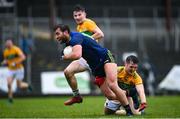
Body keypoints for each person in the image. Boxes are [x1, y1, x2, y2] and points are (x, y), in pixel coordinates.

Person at [54, 24, 133, 116]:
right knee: (110, 96)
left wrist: (64, 57)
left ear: (66, 32)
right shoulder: (69, 42)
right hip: (95, 66)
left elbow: (77, 55)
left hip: (105, 57)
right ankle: (128, 94)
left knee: (112, 85)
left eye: (57, 34)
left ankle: (129, 111)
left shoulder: (75, 38)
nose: (56, 37)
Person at [63, 4, 104, 106]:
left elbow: (100, 34)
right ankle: (77, 96)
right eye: (75, 15)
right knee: (68, 72)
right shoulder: (79, 27)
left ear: (85, 14)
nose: (77, 17)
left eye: (79, 15)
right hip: (85, 59)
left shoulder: (88, 22)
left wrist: (87, 42)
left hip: (94, 59)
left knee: (110, 90)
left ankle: (129, 101)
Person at [1, 39, 32, 103]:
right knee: (9, 84)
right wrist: (4, 62)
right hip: (11, 70)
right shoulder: (5, 52)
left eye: (9, 43)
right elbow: (6, 60)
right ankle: (10, 98)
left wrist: (16, 63)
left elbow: (23, 57)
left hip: (19, 69)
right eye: (7, 44)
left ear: (12, 44)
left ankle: (28, 86)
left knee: (19, 85)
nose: (8, 45)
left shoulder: (16, 49)